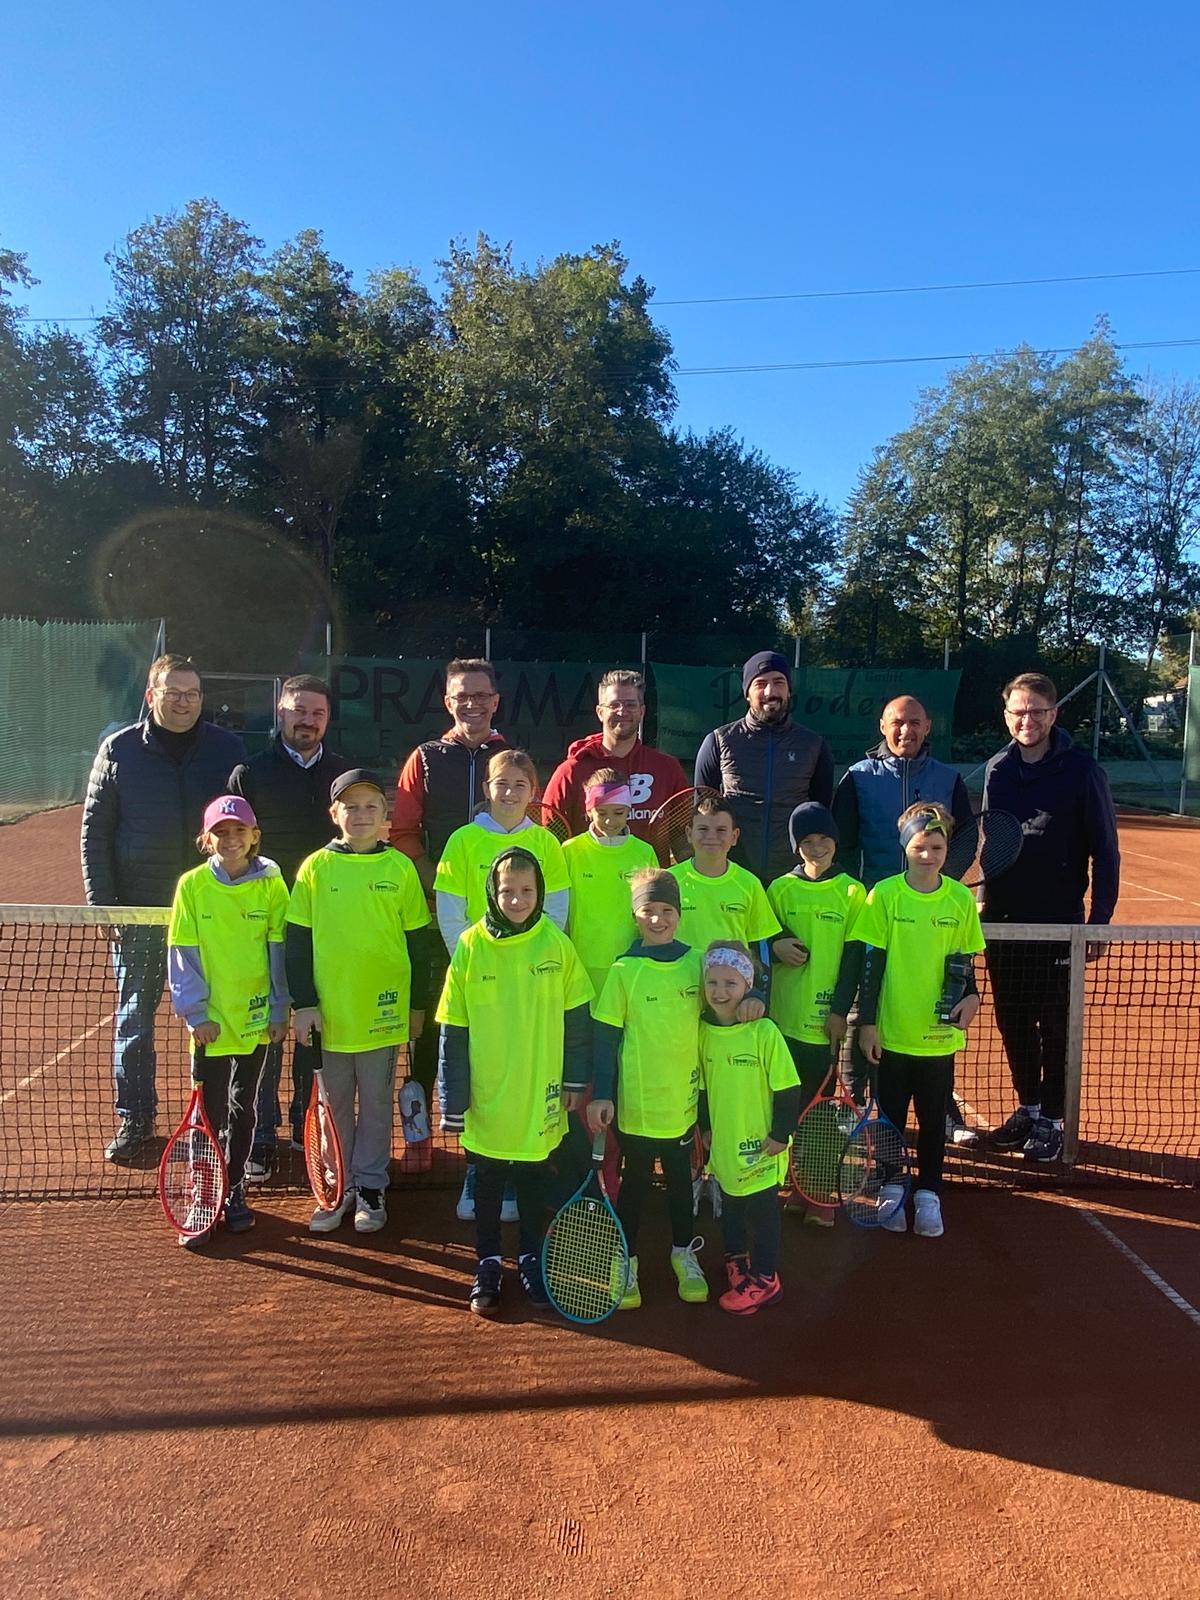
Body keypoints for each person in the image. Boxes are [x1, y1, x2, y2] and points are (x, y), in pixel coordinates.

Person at [81, 653, 246, 1162]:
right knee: (137, 1017)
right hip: (141, 913)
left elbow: (242, 825)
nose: (184, 702)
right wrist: (103, 904)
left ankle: (221, 1118)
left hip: (213, 912)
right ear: (151, 696)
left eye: (192, 694)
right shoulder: (119, 750)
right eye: (173, 693)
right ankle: (136, 1120)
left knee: (223, 1016)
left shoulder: (227, 749)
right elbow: (95, 831)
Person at [437, 848, 593, 1318]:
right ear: (492, 892)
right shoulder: (469, 946)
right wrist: (453, 1098)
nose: (518, 900)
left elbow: (577, 1020)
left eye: (527, 891)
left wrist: (574, 1080)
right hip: (486, 1097)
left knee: (531, 1182)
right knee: (486, 1183)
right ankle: (486, 1262)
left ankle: (529, 1257)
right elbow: (453, 1029)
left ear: (540, 892)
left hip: (539, 1094)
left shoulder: (557, 945)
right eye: (508, 891)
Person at [286, 769, 433, 1235]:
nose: (362, 815)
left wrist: (416, 1006)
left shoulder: (400, 869)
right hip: (329, 1018)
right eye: (351, 807)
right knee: (333, 1108)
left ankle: (371, 1186)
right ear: (335, 814)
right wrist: (304, 1004)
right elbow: (296, 943)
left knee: (375, 1107)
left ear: (386, 816)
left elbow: (418, 945)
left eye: (371, 807)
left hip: (383, 1017)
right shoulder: (314, 869)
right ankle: (340, 1185)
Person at [981, 672, 1120, 1163]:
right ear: (1007, 716)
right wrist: (984, 903)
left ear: (1053, 714)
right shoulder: (997, 770)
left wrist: (1098, 920)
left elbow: (1106, 851)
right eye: (1019, 712)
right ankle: (1029, 1108)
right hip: (1004, 921)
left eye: (1037, 711)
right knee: (1013, 1020)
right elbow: (993, 842)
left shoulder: (1083, 771)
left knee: (1056, 1024)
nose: (1027, 720)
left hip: (1060, 923)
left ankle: (1055, 1120)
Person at [831, 694, 975, 1132]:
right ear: (882, 725)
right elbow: (843, 843)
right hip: (874, 912)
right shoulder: (858, 776)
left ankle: (942, 1106)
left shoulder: (948, 779)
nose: (905, 730)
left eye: (914, 722)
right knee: (863, 1007)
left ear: (928, 727)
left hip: (930, 918)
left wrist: (935, 887)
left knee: (938, 1006)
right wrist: (862, 897)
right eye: (897, 722)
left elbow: (964, 841)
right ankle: (853, 1103)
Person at [389, 658, 508, 1185]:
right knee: (427, 1027)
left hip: (500, 927)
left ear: (495, 701)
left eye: (481, 695)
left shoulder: (511, 759)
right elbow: (403, 831)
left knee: (490, 1030)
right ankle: (419, 1135)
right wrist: (437, 884)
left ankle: (489, 1138)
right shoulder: (425, 758)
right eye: (463, 696)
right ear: (448, 702)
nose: (472, 704)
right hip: (437, 921)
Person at [227, 674, 350, 1178]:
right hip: (263, 926)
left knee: (311, 1024)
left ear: (328, 719)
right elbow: (233, 845)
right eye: (299, 710)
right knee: (266, 1031)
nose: (308, 721)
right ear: (281, 712)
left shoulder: (344, 776)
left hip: (322, 925)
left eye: (317, 713)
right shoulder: (250, 773)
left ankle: (306, 1123)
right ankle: (260, 1136)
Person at [855, 802, 986, 1238]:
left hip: (938, 1037)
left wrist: (974, 996)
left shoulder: (960, 899)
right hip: (892, 1033)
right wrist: (868, 1023)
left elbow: (964, 961)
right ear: (904, 847)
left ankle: (929, 1192)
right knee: (891, 1118)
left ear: (947, 849)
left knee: (933, 1121)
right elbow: (871, 966)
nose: (927, 855)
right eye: (918, 847)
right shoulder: (884, 895)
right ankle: (893, 1185)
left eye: (936, 847)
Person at [166, 796, 290, 1247]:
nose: (231, 839)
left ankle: (233, 1188)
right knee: (208, 1112)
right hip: (211, 1026)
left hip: (255, 1021)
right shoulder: (192, 886)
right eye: (221, 832)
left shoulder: (272, 886)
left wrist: (278, 1008)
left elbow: (279, 949)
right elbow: (182, 951)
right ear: (207, 839)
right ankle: (205, 1192)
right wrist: (197, 1013)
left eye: (239, 831)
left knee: (244, 1107)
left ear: (255, 836)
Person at [587, 868, 708, 1310]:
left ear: (679, 914)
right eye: (648, 911)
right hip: (636, 1106)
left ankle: (683, 1254)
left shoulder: (699, 963)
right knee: (635, 1184)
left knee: (680, 1181)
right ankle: (627, 1259)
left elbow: (722, 1013)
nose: (658, 919)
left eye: (666, 910)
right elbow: (606, 1039)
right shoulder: (624, 970)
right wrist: (603, 1094)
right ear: (635, 916)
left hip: (683, 1104)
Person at [766, 802, 866, 1224]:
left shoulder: (852, 892)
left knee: (822, 1115)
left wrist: (840, 1011)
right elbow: (764, 939)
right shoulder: (779, 889)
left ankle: (820, 1192)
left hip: (826, 1025)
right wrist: (777, 946)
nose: (817, 847)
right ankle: (796, 1184)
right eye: (807, 841)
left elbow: (854, 958)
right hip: (782, 1023)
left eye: (824, 839)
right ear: (796, 846)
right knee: (785, 1109)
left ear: (836, 842)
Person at [699, 941, 801, 1315]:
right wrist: (706, 1127)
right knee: (731, 1206)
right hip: (725, 1145)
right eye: (713, 982)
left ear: (747, 986)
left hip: (762, 1146)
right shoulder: (703, 1031)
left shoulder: (764, 1032)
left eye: (731, 983)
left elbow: (788, 1087)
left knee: (762, 1213)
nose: (720, 992)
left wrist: (780, 1133)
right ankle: (736, 1259)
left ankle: (765, 1279)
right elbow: (704, 1087)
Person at [694, 650, 834, 884]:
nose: (771, 692)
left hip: (792, 879)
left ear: (789, 690)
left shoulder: (814, 745)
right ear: (747, 693)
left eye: (779, 682)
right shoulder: (719, 741)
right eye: (760, 684)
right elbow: (702, 810)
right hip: (732, 876)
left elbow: (821, 813)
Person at [434, 749, 570, 949]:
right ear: (486, 789)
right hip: (479, 958)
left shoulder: (547, 842)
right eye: (501, 783)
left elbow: (556, 909)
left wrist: (537, 954)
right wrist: (468, 956)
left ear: (532, 792)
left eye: (520, 785)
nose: (509, 793)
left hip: (531, 959)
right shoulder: (461, 840)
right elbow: (451, 913)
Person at [541, 668, 689, 842]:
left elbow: (683, 836)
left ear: (642, 712)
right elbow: (550, 839)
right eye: (614, 705)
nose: (622, 711)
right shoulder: (571, 772)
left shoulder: (667, 769)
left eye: (630, 705)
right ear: (600, 712)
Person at [562, 770, 658, 998]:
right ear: (589, 811)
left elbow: (654, 910)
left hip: (631, 964)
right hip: (580, 965)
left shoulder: (644, 852)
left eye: (618, 812)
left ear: (629, 810)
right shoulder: (570, 851)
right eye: (601, 812)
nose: (609, 821)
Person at [669, 793, 783, 957]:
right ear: (689, 834)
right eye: (703, 829)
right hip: (682, 974)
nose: (711, 836)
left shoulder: (749, 883)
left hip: (731, 974)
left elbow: (760, 945)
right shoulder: (669, 881)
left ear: (734, 836)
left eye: (721, 830)